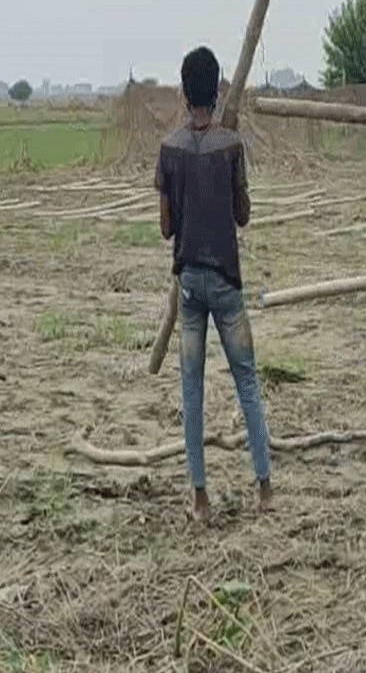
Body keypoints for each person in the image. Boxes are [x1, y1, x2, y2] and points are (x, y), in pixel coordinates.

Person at [154, 46, 273, 523]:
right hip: (226, 282)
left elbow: (166, 228)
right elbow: (242, 216)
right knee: (247, 381)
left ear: (184, 94)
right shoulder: (230, 146)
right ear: (218, 89)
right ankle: (264, 488)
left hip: (189, 287)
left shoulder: (170, 150)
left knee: (192, 389)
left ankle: (200, 499)